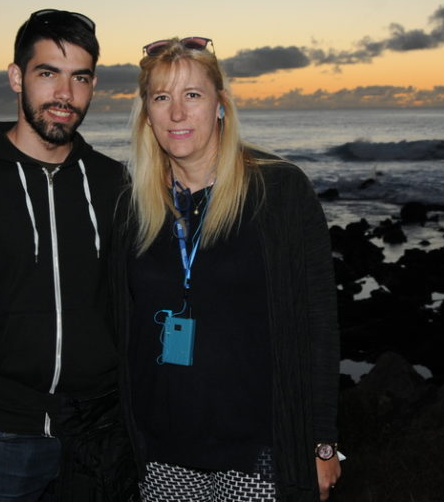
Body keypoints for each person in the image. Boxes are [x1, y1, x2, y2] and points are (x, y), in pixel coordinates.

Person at [111, 36, 341, 502]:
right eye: (162, 97)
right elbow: (111, 317)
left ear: (220, 105)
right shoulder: (132, 207)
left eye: (192, 95)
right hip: (161, 453)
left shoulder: (279, 191)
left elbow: (319, 323)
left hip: (258, 452)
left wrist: (322, 442)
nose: (177, 113)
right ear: (147, 113)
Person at [0, 9, 131, 502]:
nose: (65, 94)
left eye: (80, 78)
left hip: (103, 432)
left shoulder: (114, 184)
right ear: (17, 77)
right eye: (48, 73)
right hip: (4, 435)